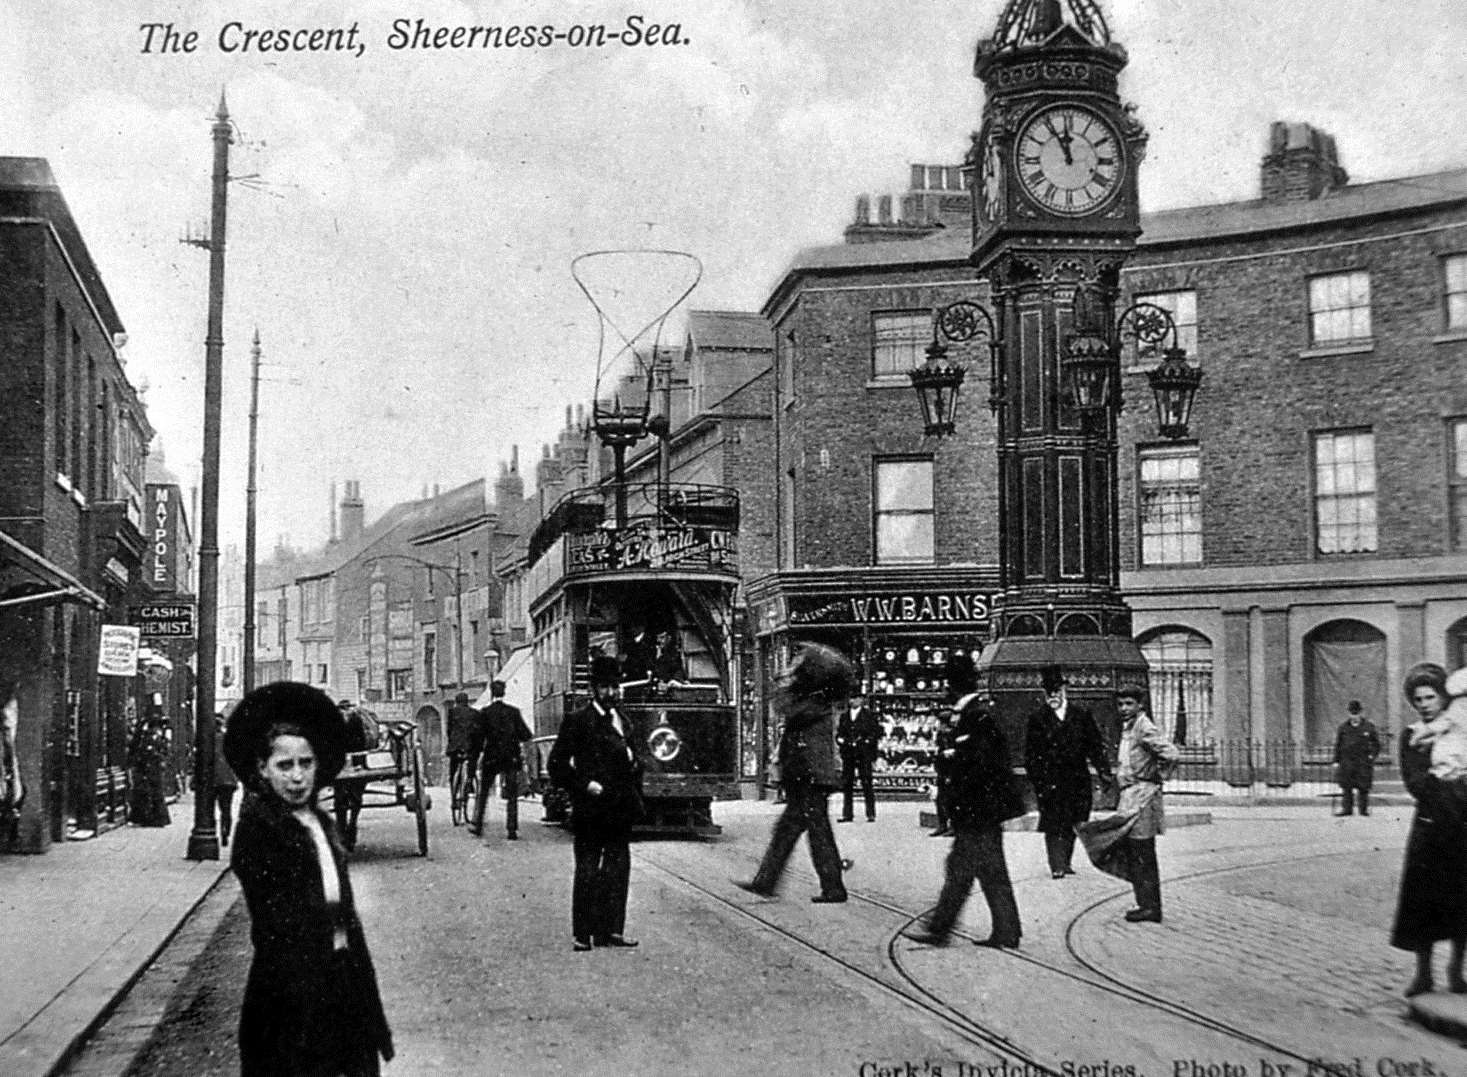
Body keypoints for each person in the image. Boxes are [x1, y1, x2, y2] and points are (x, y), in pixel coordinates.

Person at [222, 681, 394, 1076]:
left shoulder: (322, 825)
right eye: (285, 766)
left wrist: (370, 1018)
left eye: (306, 763)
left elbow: (348, 925)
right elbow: (285, 929)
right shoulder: (258, 833)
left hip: (342, 994)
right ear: (262, 770)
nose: (298, 777)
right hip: (289, 1005)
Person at [902, 654, 1024, 948]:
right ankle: (1007, 931)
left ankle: (940, 929)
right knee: (989, 869)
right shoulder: (973, 712)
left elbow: (981, 762)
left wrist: (952, 757)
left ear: (954, 685)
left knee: (960, 869)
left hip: (978, 809)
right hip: (982, 809)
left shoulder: (976, 714)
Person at [737, 642, 853, 904]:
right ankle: (767, 881)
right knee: (793, 830)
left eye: (800, 663)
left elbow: (783, 707)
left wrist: (784, 681)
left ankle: (831, 887)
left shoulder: (814, 703)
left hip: (810, 777)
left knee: (815, 832)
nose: (795, 665)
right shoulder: (816, 701)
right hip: (806, 776)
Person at [548, 655, 645, 951]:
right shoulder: (578, 720)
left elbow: (635, 760)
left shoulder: (624, 721)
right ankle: (583, 935)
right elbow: (557, 765)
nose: (612, 693)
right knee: (588, 870)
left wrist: (634, 764)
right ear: (594, 689)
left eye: (616, 686)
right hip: (592, 808)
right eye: (605, 687)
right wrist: (584, 785)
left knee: (618, 870)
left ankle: (612, 931)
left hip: (619, 808)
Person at [1391, 662, 1467, 997]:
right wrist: (1448, 784)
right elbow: (1416, 783)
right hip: (1430, 829)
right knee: (1424, 903)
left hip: (1462, 826)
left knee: (1462, 901)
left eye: (1430, 697)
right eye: (1418, 699)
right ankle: (1423, 973)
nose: (1424, 704)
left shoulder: (1458, 729)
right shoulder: (1411, 735)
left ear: (1442, 697)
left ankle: (1456, 970)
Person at [1078, 684, 1181, 923]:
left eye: (1129, 704)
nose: (1124, 708)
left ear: (1140, 704)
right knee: (1135, 852)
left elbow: (1171, 754)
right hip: (1131, 797)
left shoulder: (1144, 727)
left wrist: (1155, 778)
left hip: (1142, 798)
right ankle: (1145, 904)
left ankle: (1151, 908)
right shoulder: (1129, 727)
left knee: (1143, 852)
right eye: (1120, 704)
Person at [1024, 665, 1112, 878]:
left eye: (1056, 691)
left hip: (1077, 779)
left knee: (1074, 821)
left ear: (1064, 691)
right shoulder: (1037, 718)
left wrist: (1104, 772)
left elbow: (1094, 746)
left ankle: (1066, 861)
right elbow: (1030, 754)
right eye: (1048, 692)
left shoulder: (1080, 715)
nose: (1052, 695)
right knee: (1054, 823)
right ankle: (1057, 865)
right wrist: (1038, 781)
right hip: (1050, 781)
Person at [472, 679, 533, 839]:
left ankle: (478, 825)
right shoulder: (513, 712)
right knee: (512, 794)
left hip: (492, 756)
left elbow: (478, 737)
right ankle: (511, 830)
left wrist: (477, 753)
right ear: (504, 692)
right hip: (510, 757)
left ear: (492, 693)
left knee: (484, 791)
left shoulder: (485, 713)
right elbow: (526, 734)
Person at [837, 694, 881, 823]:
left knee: (866, 782)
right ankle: (847, 814)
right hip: (848, 753)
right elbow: (840, 733)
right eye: (851, 698)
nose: (853, 701)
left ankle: (871, 813)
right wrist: (841, 740)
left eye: (856, 698)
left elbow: (876, 732)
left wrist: (867, 742)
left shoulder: (869, 715)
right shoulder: (844, 716)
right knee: (847, 784)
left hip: (863, 753)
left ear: (861, 700)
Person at [1333, 699, 1381, 817]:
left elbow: (1376, 744)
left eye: (1356, 713)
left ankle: (1363, 810)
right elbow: (1338, 745)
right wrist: (1336, 761)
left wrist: (1371, 756)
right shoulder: (1343, 728)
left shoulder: (1368, 727)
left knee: (1363, 786)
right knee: (1347, 786)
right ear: (1349, 713)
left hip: (1363, 762)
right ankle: (1347, 809)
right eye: (1352, 713)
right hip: (1347, 762)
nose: (1354, 716)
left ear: (1360, 713)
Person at [127, 699, 171, 827]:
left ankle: (150, 818)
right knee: (151, 791)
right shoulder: (153, 729)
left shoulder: (150, 730)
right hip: (149, 764)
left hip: (150, 764)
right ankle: (151, 817)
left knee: (150, 791)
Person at [445, 690, 482, 825]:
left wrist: (452, 742)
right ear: (467, 702)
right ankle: (469, 784)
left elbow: (449, 730)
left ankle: (454, 796)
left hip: (455, 747)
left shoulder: (452, 712)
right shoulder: (475, 713)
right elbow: (477, 733)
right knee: (471, 766)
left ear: (456, 701)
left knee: (453, 771)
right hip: (470, 747)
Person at [930, 707, 957, 837]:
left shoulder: (954, 734)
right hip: (942, 769)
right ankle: (942, 824)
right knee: (940, 798)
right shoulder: (941, 735)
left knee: (951, 798)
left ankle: (953, 825)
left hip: (952, 770)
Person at [214, 711, 238, 846]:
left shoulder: (207, 740)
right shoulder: (230, 740)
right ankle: (225, 832)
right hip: (228, 780)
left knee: (208, 810)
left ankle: (212, 830)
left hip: (212, 780)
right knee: (226, 809)